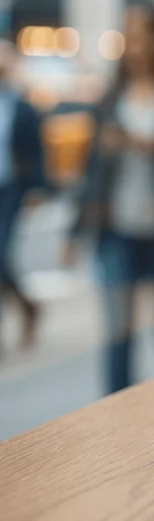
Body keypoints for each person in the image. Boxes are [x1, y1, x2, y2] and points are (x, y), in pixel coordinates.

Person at [67, 7, 154, 394]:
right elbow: (93, 171)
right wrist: (75, 230)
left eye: (143, 34)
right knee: (118, 336)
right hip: (117, 229)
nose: (134, 43)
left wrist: (152, 145)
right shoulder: (111, 99)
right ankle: (116, 418)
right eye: (128, 34)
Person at [0, 42, 47, 353]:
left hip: (9, 187)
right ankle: (27, 305)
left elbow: (35, 151)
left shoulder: (21, 106)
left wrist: (37, 188)